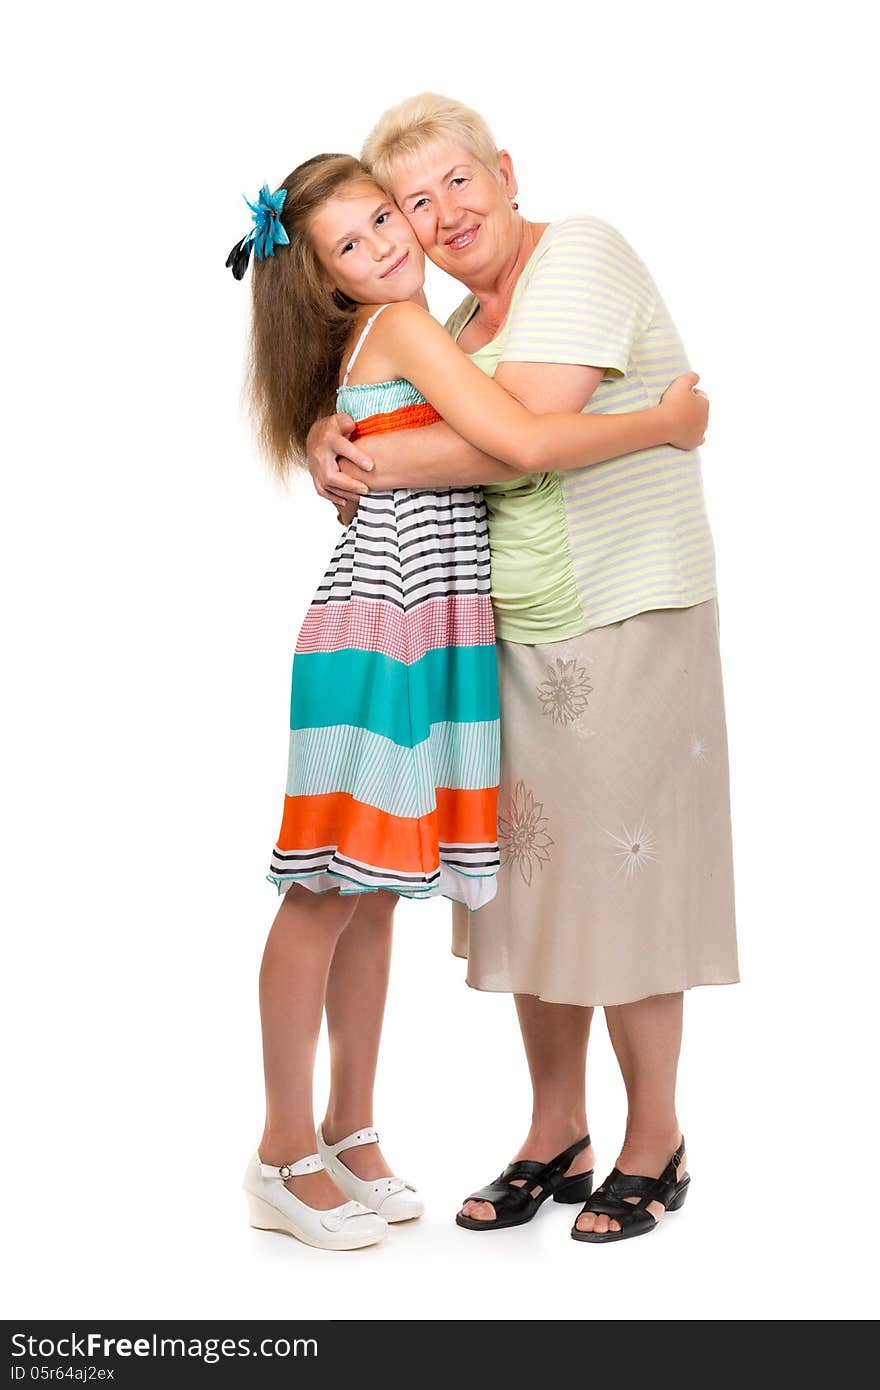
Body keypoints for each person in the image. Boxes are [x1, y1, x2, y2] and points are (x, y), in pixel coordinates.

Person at [232, 154, 709, 1252]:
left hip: (423, 628)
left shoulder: (417, 322)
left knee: (372, 891)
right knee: (322, 888)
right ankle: (281, 1148)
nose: (393, 241)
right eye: (353, 245)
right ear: (332, 285)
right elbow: (525, 443)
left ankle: (349, 1134)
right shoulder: (406, 329)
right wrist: (664, 425)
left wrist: (335, 442)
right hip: (384, 636)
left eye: (385, 218)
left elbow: (445, 440)